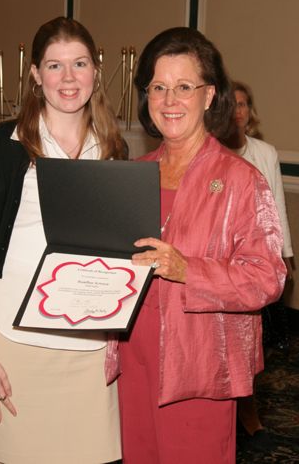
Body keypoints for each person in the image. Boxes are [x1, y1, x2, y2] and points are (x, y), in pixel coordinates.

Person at [0, 16, 126, 464]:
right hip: (12, 347)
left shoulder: (112, 150)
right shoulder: (5, 145)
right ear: (35, 75)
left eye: (79, 64)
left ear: (96, 71)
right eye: (54, 66)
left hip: (88, 354)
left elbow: (118, 254)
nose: (68, 78)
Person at [107, 27, 287, 464]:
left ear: (209, 96)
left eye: (184, 87)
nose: (170, 100)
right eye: (159, 87)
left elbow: (268, 277)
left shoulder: (242, 180)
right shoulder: (132, 174)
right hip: (132, 359)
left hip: (199, 367)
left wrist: (188, 269)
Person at [223, 80, 294, 448]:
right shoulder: (211, 150)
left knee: (259, 344)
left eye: (244, 104)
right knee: (229, 344)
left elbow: (276, 203)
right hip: (223, 264)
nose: (239, 110)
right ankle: (236, 414)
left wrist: (285, 252)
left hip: (259, 260)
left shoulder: (264, 151)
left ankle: (247, 408)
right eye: (232, 103)